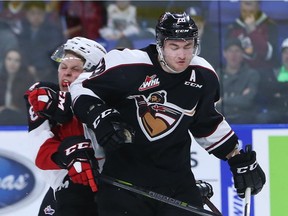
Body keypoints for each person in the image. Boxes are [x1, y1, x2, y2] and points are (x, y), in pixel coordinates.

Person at [70, 12, 266, 216]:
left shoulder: (203, 75)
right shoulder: (127, 64)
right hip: (123, 182)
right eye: (174, 46)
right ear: (160, 44)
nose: (182, 55)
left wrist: (236, 157)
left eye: (187, 46)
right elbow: (81, 87)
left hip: (176, 183)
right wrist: (102, 117)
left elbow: (206, 122)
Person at [24, 37, 107, 215]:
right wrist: (66, 155)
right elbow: (39, 151)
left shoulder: (107, 103)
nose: (66, 73)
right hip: (64, 190)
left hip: (105, 191)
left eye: (75, 69)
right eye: (63, 67)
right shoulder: (44, 99)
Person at [18, 1, 65, 83]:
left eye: (39, 13)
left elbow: (52, 54)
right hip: (25, 71)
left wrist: (35, 67)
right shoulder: (22, 30)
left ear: (44, 15)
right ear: (27, 14)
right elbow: (20, 50)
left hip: (47, 73)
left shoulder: (53, 31)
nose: (36, 16)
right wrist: (27, 65)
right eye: (32, 13)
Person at [226, 0, 279, 71]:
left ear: (258, 5)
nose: (247, 12)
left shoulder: (270, 26)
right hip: (240, 75)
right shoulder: (233, 28)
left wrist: (253, 31)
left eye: (249, 3)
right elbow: (229, 57)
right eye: (244, 11)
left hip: (264, 74)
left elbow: (269, 55)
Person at [216, 38, 260, 124]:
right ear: (224, 54)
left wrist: (223, 100)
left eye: (237, 51)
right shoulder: (216, 74)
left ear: (243, 54)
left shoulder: (251, 74)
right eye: (230, 51)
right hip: (221, 118)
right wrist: (238, 98)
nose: (233, 55)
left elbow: (247, 101)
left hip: (244, 118)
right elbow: (213, 102)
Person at [256, 37, 288, 123]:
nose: (287, 56)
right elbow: (267, 91)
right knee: (262, 118)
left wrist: (278, 91)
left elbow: (273, 88)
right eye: (285, 52)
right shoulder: (272, 73)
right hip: (276, 111)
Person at [0, 48, 34, 125]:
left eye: (16, 60)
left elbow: (29, 107)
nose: (12, 63)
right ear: (4, 60)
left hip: (19, 120)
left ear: (21, 63)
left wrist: (12, 109)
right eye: (9, 59)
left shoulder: (28, 81)